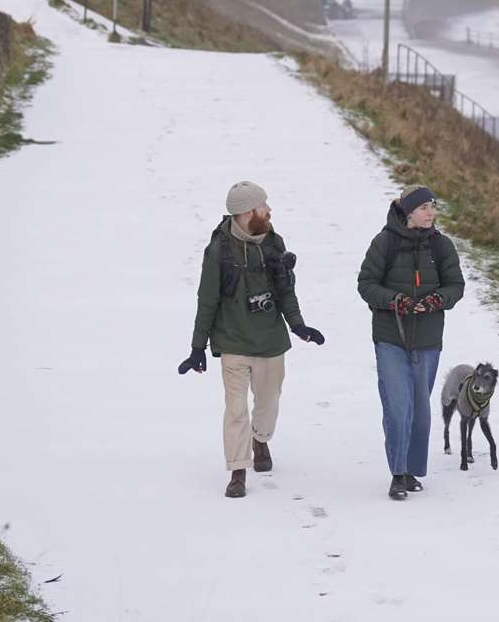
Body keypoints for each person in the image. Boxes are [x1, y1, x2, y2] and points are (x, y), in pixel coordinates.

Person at [180, 181, 324, 499]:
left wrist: (299, 326)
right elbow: (207, 299)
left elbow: (286, 290)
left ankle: (260, 438)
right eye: (263, 206)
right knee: (235, 409)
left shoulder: (274, 243)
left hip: (271, 341)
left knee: (268, 403)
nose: (269, 210)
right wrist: (197, 347)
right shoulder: (219, 249)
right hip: (233, 342)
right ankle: (238, 471)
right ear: (247, 213)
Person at [356, 184, 465, 500]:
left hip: (428, 340)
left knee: (419, 409)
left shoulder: (441, 246)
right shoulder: (384, 243)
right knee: (398, 406)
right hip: (391, 337)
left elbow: (455, 286)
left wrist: (435, 300)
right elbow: (366, 284)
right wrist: (395, 301)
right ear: (408, 212)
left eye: (433, 207)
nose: (431, 213)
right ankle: (398, 474)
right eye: (424, 208)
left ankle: (413, 469)